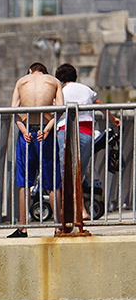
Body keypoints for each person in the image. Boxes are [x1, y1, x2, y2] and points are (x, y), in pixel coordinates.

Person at [7, 62, 64, 238]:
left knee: (24, 181)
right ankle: (59, 226)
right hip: (45, 131)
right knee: (53, 181)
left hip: (27, 133)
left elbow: (13, 110)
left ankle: (23, 227)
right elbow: (60, 110)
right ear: (44, 72)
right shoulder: (54, 82)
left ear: (30, 71)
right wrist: (47, 130)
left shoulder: (22, 81)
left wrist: (23, 131)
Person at [54, 63, 121, 199]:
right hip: (86, 132)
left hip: (65, 131)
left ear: (60, 78)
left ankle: (66, 207)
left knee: (65, 171)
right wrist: (113, 119)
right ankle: (80, 210)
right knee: (79, 171)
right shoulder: (86, 89)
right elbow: (100, 105)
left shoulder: (60, 91)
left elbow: (56, 112)